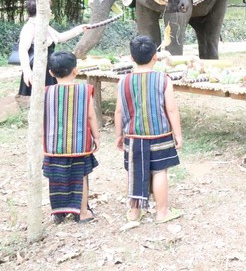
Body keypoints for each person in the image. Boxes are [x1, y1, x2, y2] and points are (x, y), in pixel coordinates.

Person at [114, 35, 183, 225]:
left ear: (131, 58)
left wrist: (119, 135)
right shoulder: (163, 79)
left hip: (134, 136)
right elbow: (171, 109)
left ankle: (134, 212)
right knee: (160, 171)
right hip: (159, 134)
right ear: (155, 56)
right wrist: (177, 134)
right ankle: (162, 213)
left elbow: (119, 111)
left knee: (133, 171)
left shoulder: (123, 81)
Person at [42, 51, 100, 223]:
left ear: (51, 72)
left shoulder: (45, 92)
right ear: (75, 70)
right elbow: (90, 116)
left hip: (53, 145)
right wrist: (96, 137)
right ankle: (82, 213)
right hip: (79, 144)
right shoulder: (84, 90)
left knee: (56, 178)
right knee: (80, 177)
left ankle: (58, 213)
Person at [17, 0, 84, 103]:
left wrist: (80, 29)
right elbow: (22, 49)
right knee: (42, 99)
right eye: (49, 8)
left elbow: (61, 37)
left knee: (51, 98)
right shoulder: (29, 27)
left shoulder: (45, 26)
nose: (51, 11)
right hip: (38, 66)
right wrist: (27, 71)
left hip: (50, 64)